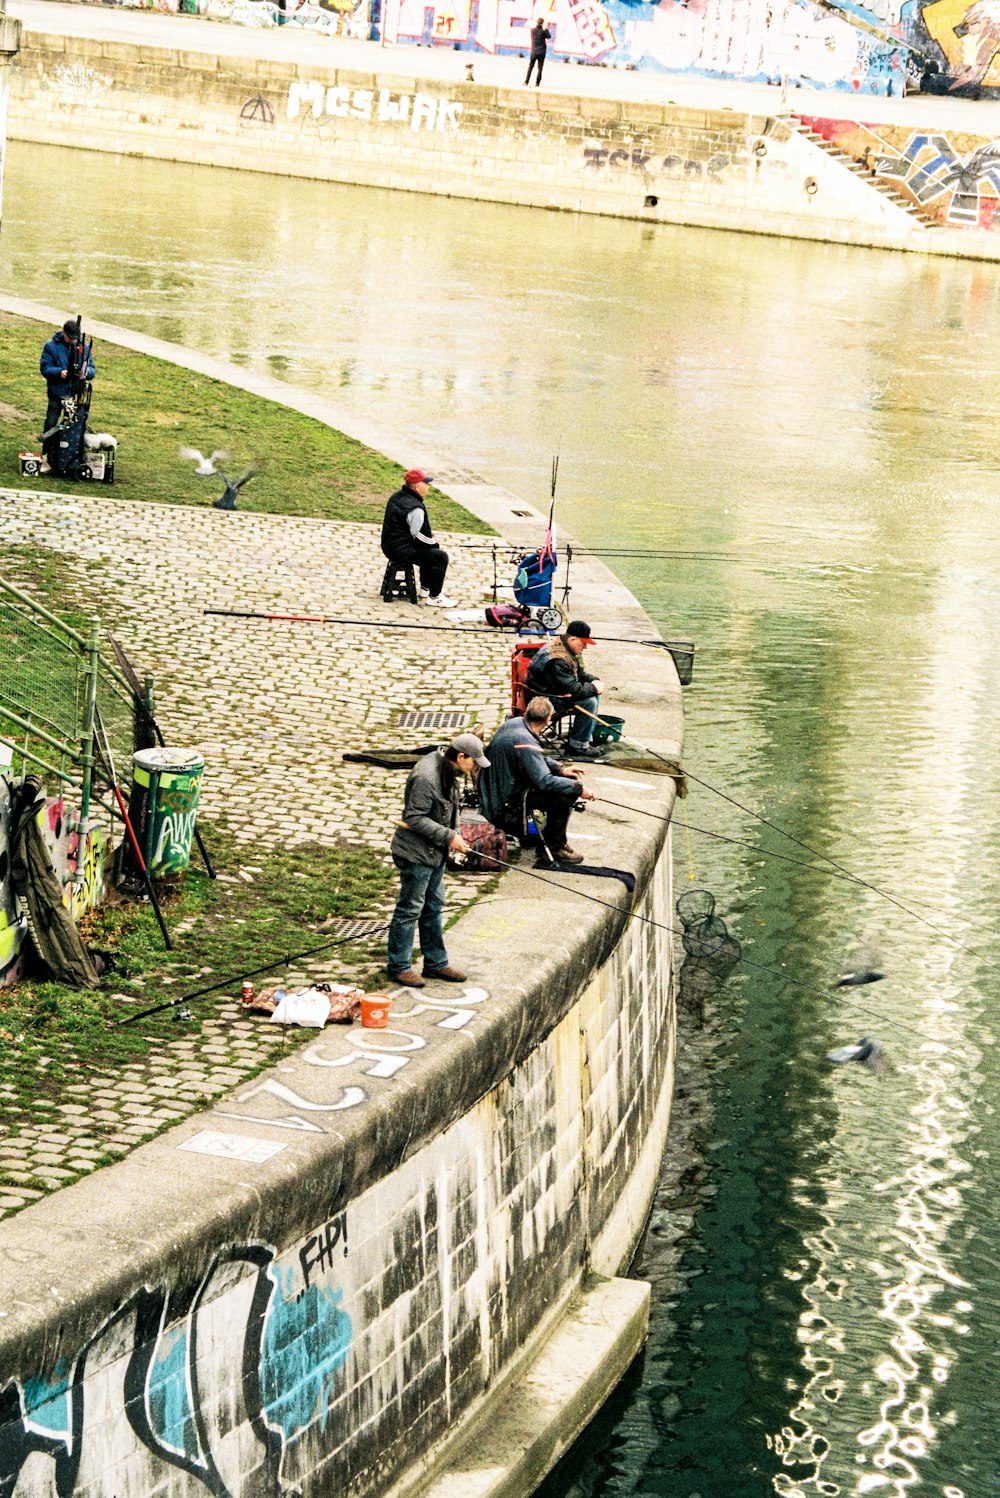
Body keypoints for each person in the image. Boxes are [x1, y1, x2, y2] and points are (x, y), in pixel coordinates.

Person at [387, 733, 490, 987]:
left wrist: (454, 838)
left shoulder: (448, 769)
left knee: (434, 906)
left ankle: (435, 963)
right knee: (410, 908)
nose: (474, 767)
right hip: (416, 853)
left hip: (436, 852)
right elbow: (414, 817)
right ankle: (399, 965)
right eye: (473, 762)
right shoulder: (427, 778)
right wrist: (448, 837)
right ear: (461, 756)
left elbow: (451, 809)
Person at [478, 696, 595, 866]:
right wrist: (579, 789)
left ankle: (538, 836)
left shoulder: (517, 723)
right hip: (504, 803)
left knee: (565, 781)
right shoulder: (525, 741)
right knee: (564, 795)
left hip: (500, 788)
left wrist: (561, 769)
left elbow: (535, 758)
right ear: (548, 718)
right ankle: (555, 847)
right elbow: (545, 782)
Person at [524, 619, 604, 759]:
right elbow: (571, 688)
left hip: (554, 690)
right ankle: (578, 746)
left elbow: (578, 674)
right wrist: (593, 688)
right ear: (573, 640)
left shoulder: (565, 647)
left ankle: (583, 738)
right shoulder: (558, 661)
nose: (585, 647)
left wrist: (593, 680)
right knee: (589, 702)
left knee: (594, 695)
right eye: (584, 643)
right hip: (545, 697)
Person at [381, 468, 456, 608]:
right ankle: (434, 597)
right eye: (425, 483)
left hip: (389, 545)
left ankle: (425, 589)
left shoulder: (397, 497)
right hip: (401, 549)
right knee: (439, 557)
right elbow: (418, 535)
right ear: (417, 486)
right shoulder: (415, 508)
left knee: (429, 552)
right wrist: (434, 543)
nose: (428, 487)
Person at [39, 321, 95, 472]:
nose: (73, 341)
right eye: (70, 338)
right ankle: (46, 456)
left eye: (75, 338)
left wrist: (85, 373)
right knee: (51, 424)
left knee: (75, 427)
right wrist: (59, 372)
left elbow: (92, 369)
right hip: (57, 393)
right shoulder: (51, 346)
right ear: (63, 333)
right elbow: (45, 368)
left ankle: (71, 457)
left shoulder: (84, 348)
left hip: (76, 395)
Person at [525, 16, 552, 86]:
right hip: (541, 52)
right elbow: (549, 36)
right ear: (542, 23)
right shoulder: (543, 32)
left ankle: (526, 81)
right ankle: (537, 83)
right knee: (540, 69)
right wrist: (546, 29)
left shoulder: (532, 30)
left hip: (534, 51)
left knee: (530, 67)